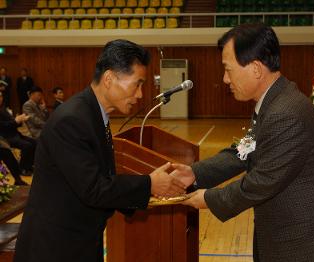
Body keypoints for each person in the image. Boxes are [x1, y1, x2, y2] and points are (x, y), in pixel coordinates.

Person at [173, 24, 314, 261]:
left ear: (256, 68)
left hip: (305, 248)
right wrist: (194, 174)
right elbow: (242, 151)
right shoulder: (273, 103)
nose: (224, 79)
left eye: (228, 69)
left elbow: (260, 183)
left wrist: (206, 198)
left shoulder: (284, 113)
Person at [14, 39, 187, 262]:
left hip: (79, 241)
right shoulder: (72, 119)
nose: (140, 95)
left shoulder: (93, 114)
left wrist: (152, 190)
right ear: (108, 78)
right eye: (137, 84)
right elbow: (93, 188)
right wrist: (149, 184)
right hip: (54, 247)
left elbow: (103, 180)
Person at [0, 91, 35, 176]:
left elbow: (12, 122)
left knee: (34, 142)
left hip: (14, 134)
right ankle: (22, 168)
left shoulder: (3, 108)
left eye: (1, 96)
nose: (0, 98)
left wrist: (20, 120)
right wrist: (16, 121)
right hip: (5, 137)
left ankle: (28, 166)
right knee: (27, 145)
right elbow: (3, 126)